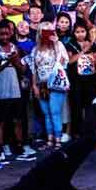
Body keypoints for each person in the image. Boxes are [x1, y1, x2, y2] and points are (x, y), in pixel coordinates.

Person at [0, 19, 31, 161]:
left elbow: (23, 69)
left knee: (17, 118)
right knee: (1, 119)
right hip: (1, 85)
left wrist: (15, 61)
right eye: (1, 34)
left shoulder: (15, 47)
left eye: (7, 34)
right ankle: (1, 146)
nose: (4, 37)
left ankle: (19, 145)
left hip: (15, 86)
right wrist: (5, 62)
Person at [30, 22, 70, 150]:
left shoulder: (58, 45)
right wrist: (34, 86)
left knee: (55, 112)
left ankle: (58, 140)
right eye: (44, 31)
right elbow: (33, 69)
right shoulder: (35, 49)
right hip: (41, 83)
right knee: (46, 113)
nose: (47, 34)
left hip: (55, 84)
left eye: (50, 31)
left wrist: (56, 44)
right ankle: (49, 140)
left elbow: (63, 62)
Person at [68, 19, 96, 140]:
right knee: (76, 106)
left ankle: (90, 132)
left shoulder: (93, 45)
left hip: (90, 80)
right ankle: (77, 133)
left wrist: (91, 54)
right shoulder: (70, 44)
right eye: (77, 32)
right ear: (74, 33)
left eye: (82, 31)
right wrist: (83, 52)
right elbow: (69, 61)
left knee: (90, 107)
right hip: (75, 80)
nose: (80, 34)